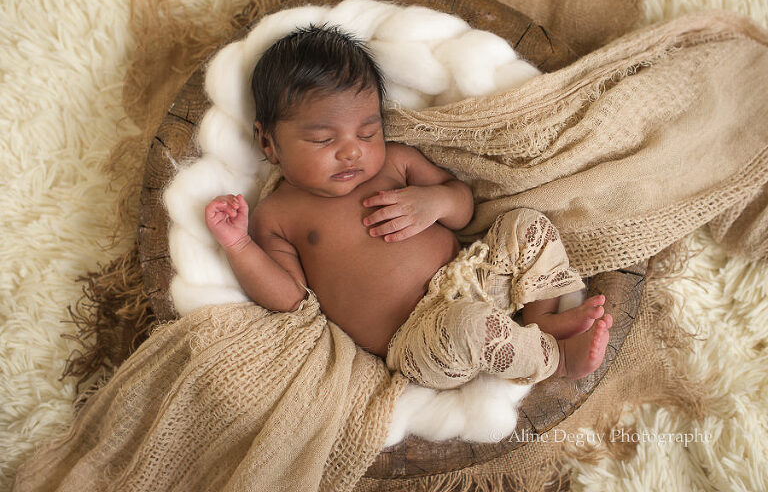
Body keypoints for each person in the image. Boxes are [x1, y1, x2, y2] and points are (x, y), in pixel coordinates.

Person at [204, 24, 613, 390]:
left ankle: (537, 319)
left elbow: (464, 209)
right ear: (268, 143)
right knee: (471, 327)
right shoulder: (278, 215)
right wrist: (239, 245)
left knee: (527, 224)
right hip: (420, 338)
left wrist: (434, 201)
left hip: (473, 276)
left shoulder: (395, 161)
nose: (351, 152)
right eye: (323, 140)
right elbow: (290, 298)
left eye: (367, 132)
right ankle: (554, 360)